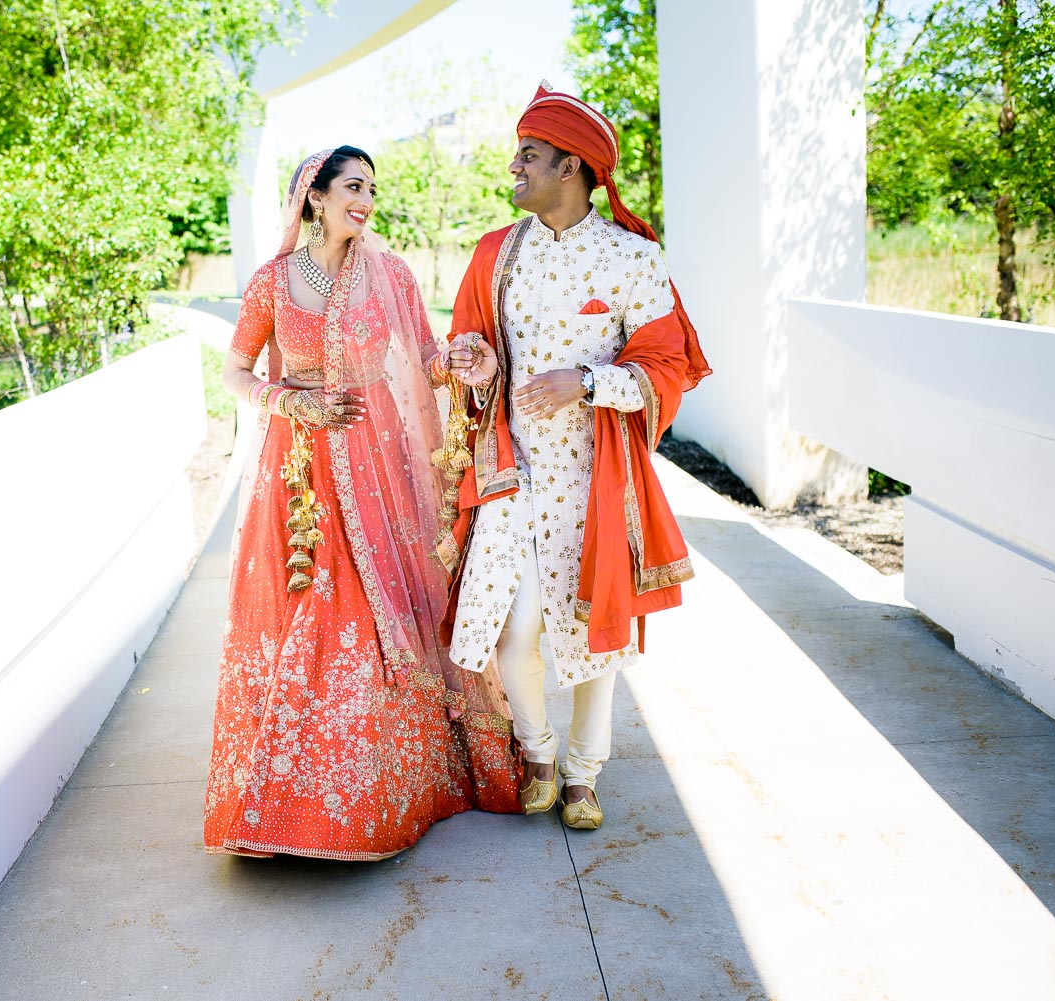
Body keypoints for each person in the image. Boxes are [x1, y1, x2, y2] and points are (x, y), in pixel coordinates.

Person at [204, 147, 524, 860]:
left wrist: (461, 364)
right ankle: (286, 803)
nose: (366, 200)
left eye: (371, 190)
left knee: (378, 616)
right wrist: (292, 400)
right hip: (299, 474)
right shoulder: (273, 283)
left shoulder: (392, 274)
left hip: (379, 465)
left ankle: (381, 793)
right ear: (313, 198)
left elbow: (421, 358)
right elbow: (234, 372)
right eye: (353, 187)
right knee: (314, 609)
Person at [440, 85, 711, 830]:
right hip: (513, 471)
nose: (514, 164)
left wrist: (586, 381)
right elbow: (474, 344)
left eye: (529, 153)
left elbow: (668, 367)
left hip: (596, 477)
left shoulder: (632, 256)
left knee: (600, 628)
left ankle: (582, 774)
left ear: (572, 166)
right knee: (513, 624)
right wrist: (470, 360)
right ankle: (536, 748)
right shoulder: (497, 252)